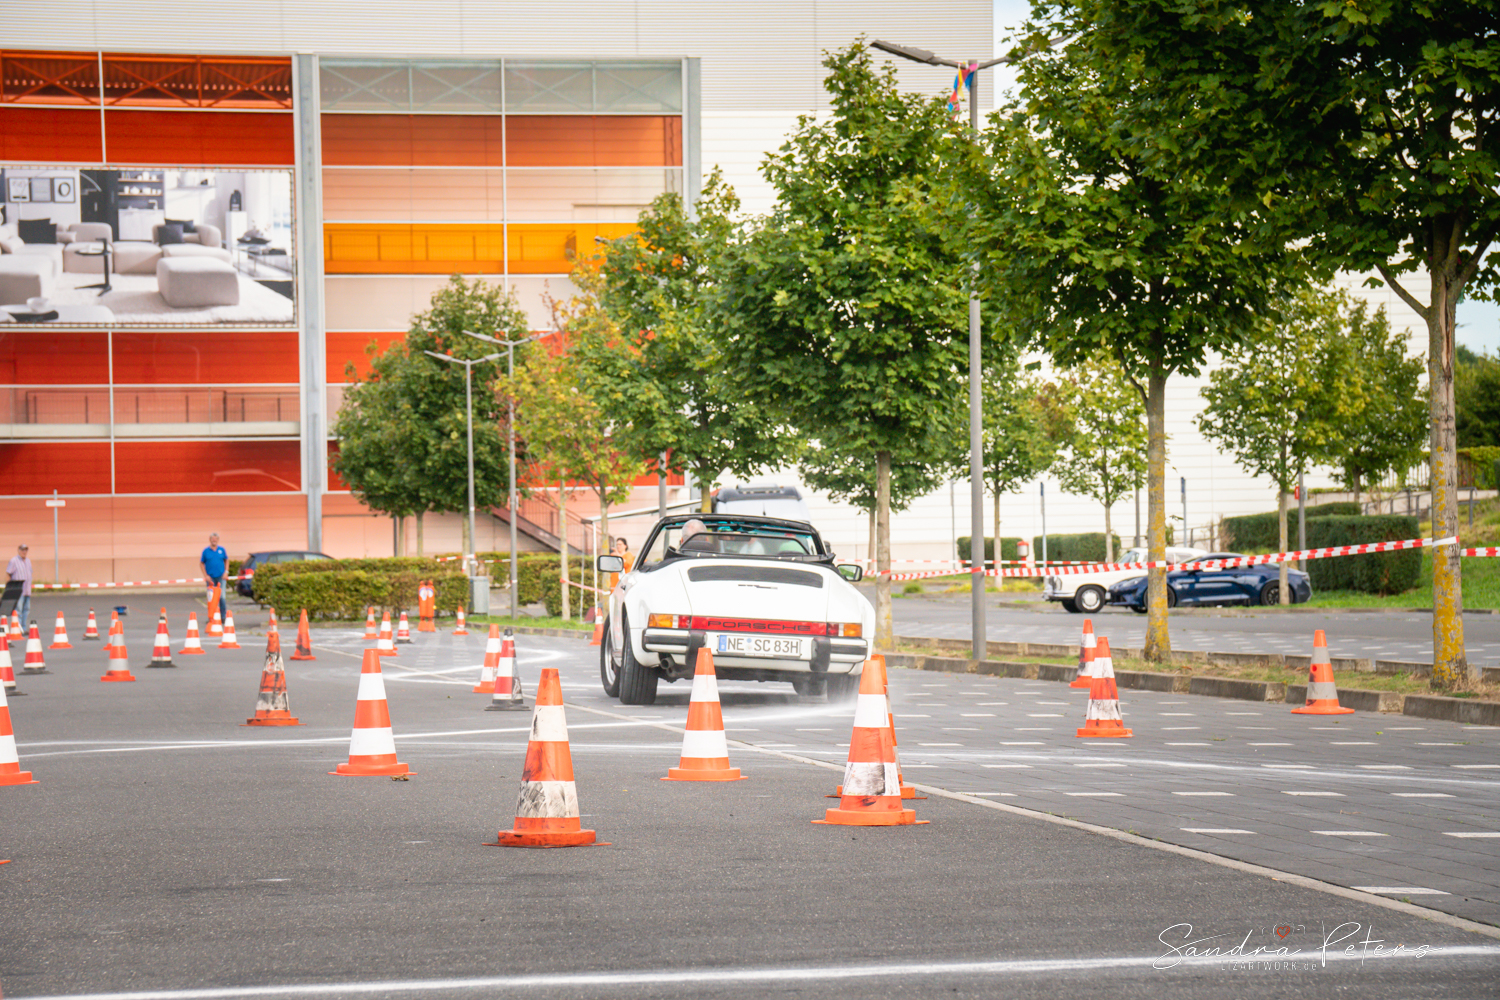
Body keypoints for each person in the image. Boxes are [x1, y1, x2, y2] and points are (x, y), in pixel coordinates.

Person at [200, 532, 228, 622]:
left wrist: (226, 572)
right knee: (211, 598)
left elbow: (226, 560)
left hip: (221, 577)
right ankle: (211, 617)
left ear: (218, 540)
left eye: (215, 539)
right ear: (210, 540)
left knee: (222, 597)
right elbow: (201, 563)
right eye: (212, 539)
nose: (214, 541)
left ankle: (223, 617)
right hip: (210, 578)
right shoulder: (206, 551)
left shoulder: (222, 550)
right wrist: (206, 575)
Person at [6, 544, 32, 625]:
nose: (24, 552)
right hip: (18, 591)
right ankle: (18, 628)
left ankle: (23, 627)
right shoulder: (14, 561)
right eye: (22, 550)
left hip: (27, 590)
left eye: (25, 550)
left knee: (26, 609)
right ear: (19, 551)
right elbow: (8, 574)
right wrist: (9, 588)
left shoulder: (28, 561)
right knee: (19, 610)